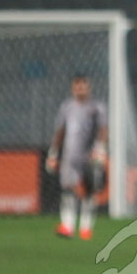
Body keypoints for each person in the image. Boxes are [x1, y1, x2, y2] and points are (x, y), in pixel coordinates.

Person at [46, 75, 108, 240]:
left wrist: (100, 149)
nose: (80, 89)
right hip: (69, 155)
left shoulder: (97, 107)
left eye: (83, 86)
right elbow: (60, 131)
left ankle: (86, 227)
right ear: (72, 88)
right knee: (68, 190)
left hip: (89, 156)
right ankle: (67, 225)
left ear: (89, 87)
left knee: (89, 191)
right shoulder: (67, 107)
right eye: (77, 86)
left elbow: (103, 129)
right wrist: (53, 153)